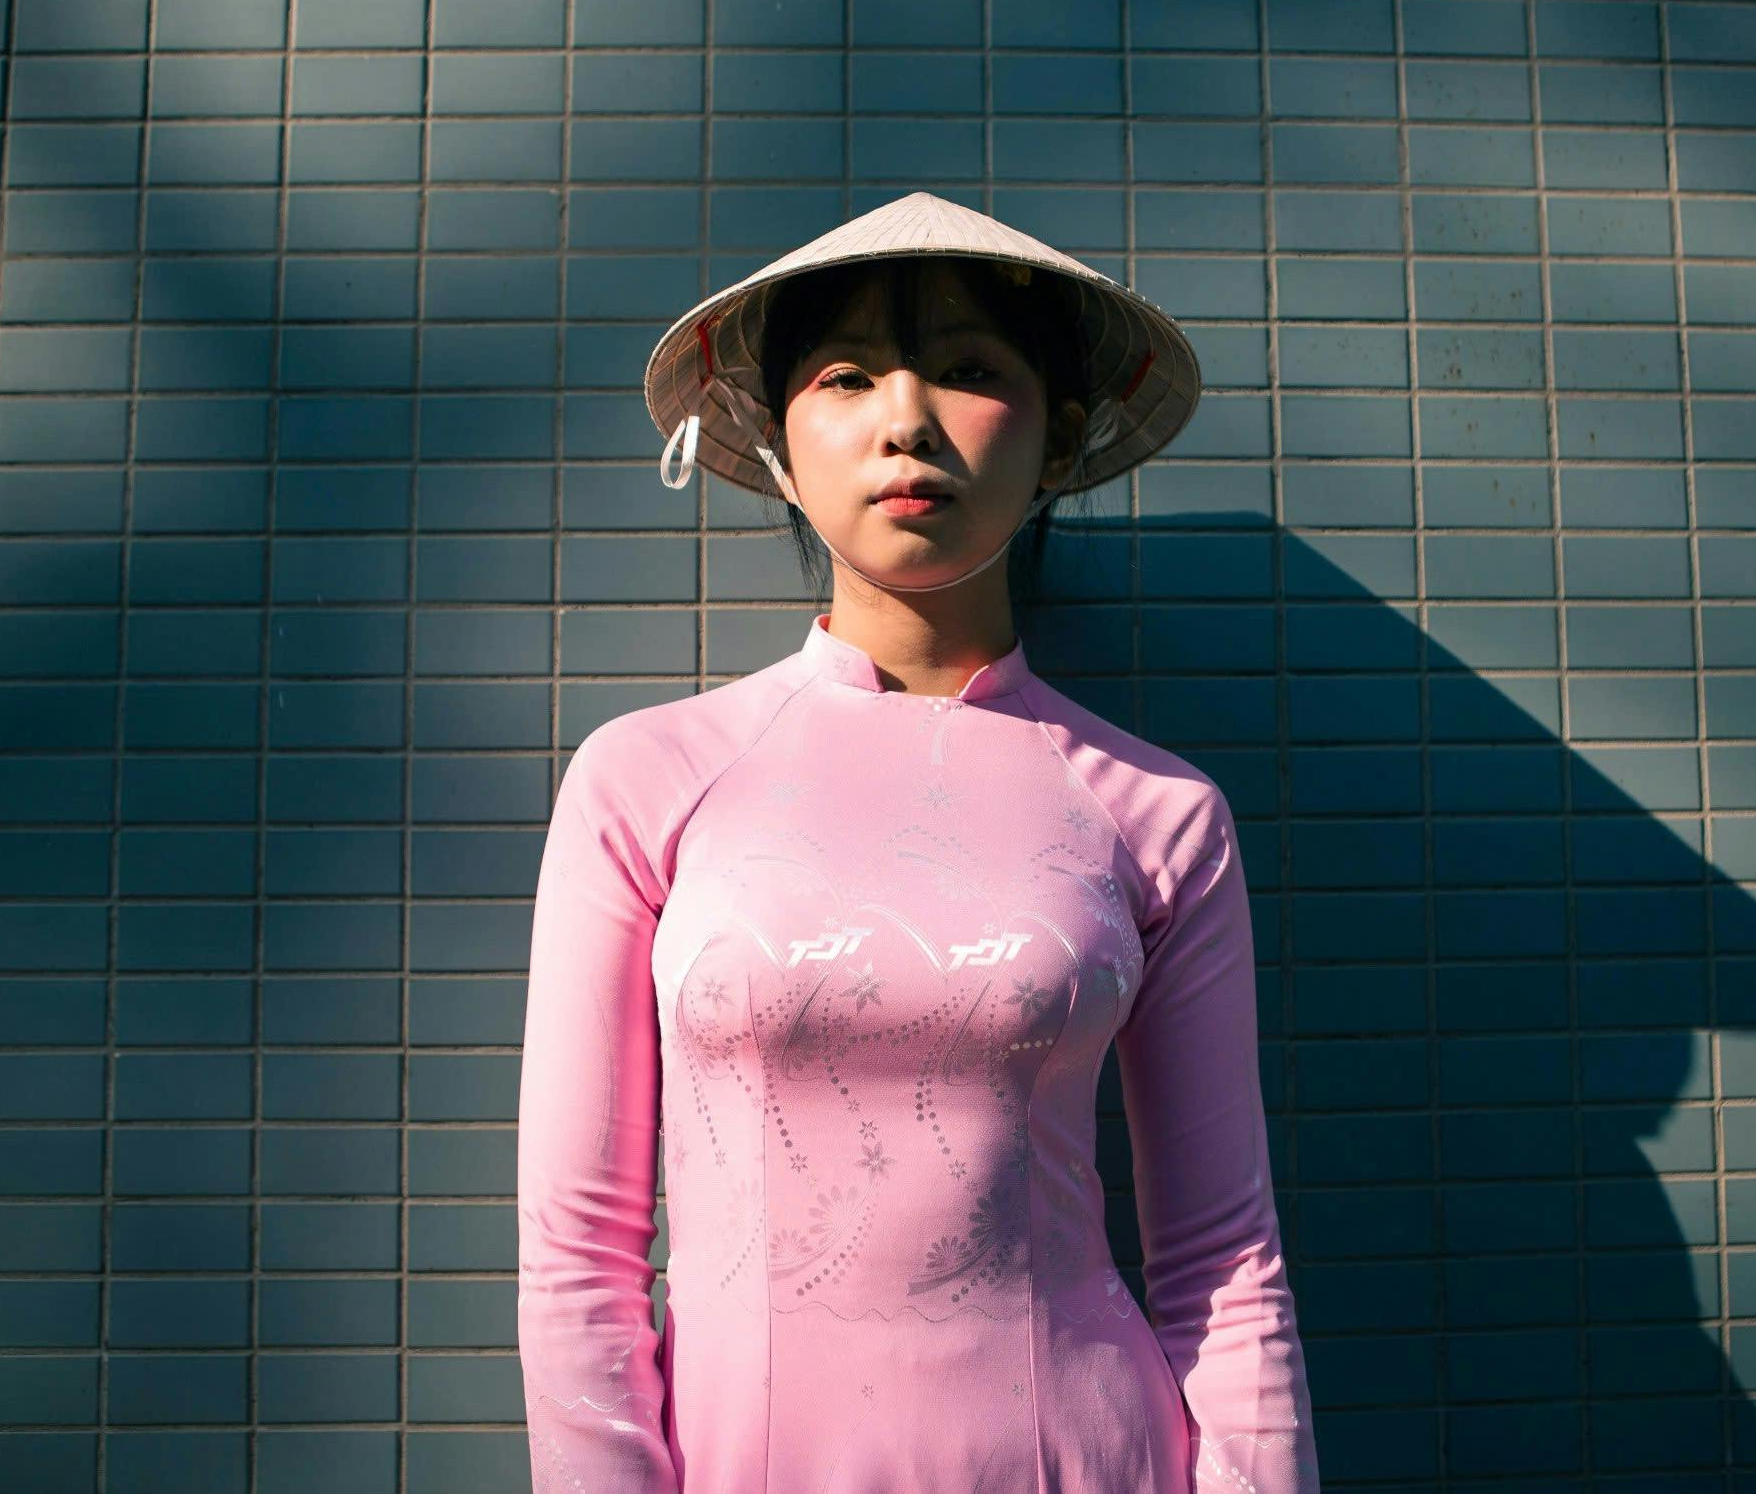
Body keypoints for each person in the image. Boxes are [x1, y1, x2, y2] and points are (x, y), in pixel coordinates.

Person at [515, 191, 1321, 1492]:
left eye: (966, 369)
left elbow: (1225, 1257)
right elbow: (580, 1254)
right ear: (778, 438)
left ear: (1058, 436)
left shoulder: (1156, 811)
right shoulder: (647, 784)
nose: (906, 419)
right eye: (845, 376)